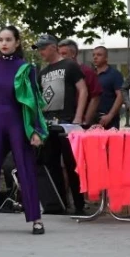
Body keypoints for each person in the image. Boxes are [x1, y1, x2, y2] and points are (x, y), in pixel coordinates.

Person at [0, 26, 48, 234]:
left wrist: (37, 130)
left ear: (17, 43)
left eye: (8, 40)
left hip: (17, 122)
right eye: (0, 40)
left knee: (26, 169)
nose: (4, 43)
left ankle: (35, 219)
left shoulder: (26, 68)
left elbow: (35, 102)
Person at [37, 33, 88, 214]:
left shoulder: (69, 65)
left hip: (67, 122)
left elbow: (82, 90)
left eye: (43, 48)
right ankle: (59, 203)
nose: (41, 52)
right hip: (47, 124)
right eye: (39, 49)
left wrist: (78, 117)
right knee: (51, 164)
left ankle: (79, 204)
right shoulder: (42, 72)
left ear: (53, 47)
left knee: (72, 164)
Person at [58, 39, 102, 125]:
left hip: (78, 121)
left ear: (73, 54)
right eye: (59, 54)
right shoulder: (59, 72)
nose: (61, 57)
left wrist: (85, 121)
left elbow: (95, 98)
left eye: (64, 54)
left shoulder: (86, 72)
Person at [92, 46, 125, 129]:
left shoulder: (114, 74)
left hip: (109, 118)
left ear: (106, 58)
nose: (95, 57)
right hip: (92, 118)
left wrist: (110, 115)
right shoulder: (91, 74)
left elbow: (120, 96)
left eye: (99, 55)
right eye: (94, 55)